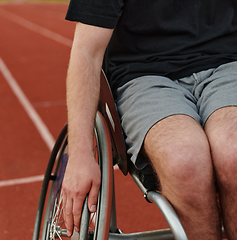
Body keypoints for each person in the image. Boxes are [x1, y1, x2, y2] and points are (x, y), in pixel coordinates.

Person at [61, 0, 237, 239]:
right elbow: (86, 52)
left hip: (227, 64)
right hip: (143, 75)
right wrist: (80, 155)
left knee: (234, 150)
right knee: (184, 161)